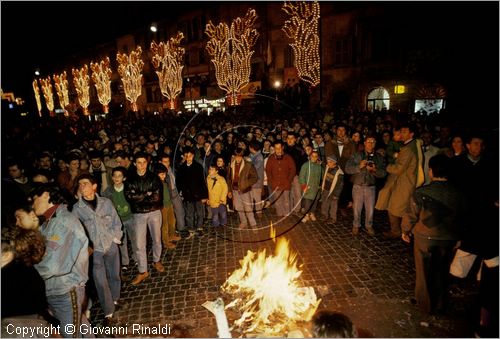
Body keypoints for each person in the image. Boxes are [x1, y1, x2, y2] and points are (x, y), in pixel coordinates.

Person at [401, 154, 467, 315]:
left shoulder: (422, 192)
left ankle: (426, 306)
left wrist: (405, 230)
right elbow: (463, 217)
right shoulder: (459, 193)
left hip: (425, 238)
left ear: (431, 171)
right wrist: (459, 237)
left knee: (424, 273)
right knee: (442, 271)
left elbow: (411, 215)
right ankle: (441, 303)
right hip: (448, 239)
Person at [29, 184, 92, 338]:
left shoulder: (63, 222)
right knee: (81, 327)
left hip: (65, 290)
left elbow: (53, 266)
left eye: (33, 199)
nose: (31, 205)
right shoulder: (48, 222)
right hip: (57, 289)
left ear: (45, 195)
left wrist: (29, 276)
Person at [72, 174, 124, 326]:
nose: (82, 186)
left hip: (111, 244)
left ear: (94, 186)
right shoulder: (77, 209)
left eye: (85, 183)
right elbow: (76, 232)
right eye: (80, 184)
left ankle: (115, 299)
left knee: (114, 274)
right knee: (100, 281)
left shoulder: (106, 202)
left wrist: (115, 238)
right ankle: (108, 311)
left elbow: (116, 221)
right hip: (95, 251)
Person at [375, 123, 424, 239]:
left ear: (411, 134)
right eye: (401, 131)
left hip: (404, 183)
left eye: (405, 132)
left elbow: (399, 168)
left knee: (395, 208)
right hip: (403, 182)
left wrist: (386, 166)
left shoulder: (407, 148)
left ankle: (400, 231)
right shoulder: (409, 145)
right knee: (397, 207)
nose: (401, 134)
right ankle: (402, 231)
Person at [125, 152, 165, 286]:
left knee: (157, 239)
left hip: (154, 212)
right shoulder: (130, 179)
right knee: (140, 244)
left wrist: (140, 196)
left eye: (144, 162)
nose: (142, 165)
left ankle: (156, 260)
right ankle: (143, 271)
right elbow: (129, 197)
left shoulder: (154, 178)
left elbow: (157, 197)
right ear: (135, 163)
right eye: (139, 162)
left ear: (147, 163)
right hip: (138, 214)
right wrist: (146, 194)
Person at [345, 136, 387, 236]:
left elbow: (384, 173)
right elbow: (347, 168)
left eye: (373, 142)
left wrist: (374, 170)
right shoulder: (356, 155)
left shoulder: (379, 157)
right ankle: (356, 225)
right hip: (358, 185)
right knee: (356, 208)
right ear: (364, 143)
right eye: (368, 142)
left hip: (371, 186)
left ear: (375, 143)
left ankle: (369, 226)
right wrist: (359, 166)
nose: (370, 144)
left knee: (370, 209)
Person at [103, 166, 133, 272]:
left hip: (130, 218)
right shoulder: (108, 192)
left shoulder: (129, 188)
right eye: (114, 176)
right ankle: (125, 262)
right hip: (117, 221)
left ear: (124, 178)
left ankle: (137, 258)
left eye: (119, 176)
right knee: (122, 243)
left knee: (135, 239)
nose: (116, 178)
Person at [177, 147, 209, 237]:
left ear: (193, 156)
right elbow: (178, 182)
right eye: (186, 156)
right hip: (188, 195)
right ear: (184, 156)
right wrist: (181, 192)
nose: (188, 158)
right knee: (189, 214)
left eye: (190, 156)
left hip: (198, 195)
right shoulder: (181, 168)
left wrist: (204, 196)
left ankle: (199, 228)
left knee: (199, 213)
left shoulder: (198, 167)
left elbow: (203, 182)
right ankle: (191, 229)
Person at [227, 147, 258, 229]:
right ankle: (243, 222)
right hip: (235, 190)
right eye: (236, 156)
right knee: (238, 207)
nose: (237, 158)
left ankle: (253, 224)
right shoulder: (231, 165)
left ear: (242, 156)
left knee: (248, 208)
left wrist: (246, 184)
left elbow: (255, 177)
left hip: (245, 190)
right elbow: (229, 179)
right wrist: (229, 191)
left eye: (239, 156)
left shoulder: (248, 165)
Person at [153, 163, 180, 249]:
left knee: (172, 221)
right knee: (164, 225)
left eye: (165, 174)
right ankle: (166, 241)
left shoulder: (165, 181)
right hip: (162, 206)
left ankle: (172, 235)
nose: (164, 176)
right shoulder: (156, 184)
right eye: (162, 174)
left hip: (169, 204)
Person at [265, 141, 296, 217]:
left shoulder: (288, 157)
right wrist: (271, 181)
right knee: (278, 200)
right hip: (275, 183)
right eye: (276, 148)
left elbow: (293, 169)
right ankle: (280, 214)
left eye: (279, 148)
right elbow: (268, 170)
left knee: (286, 200)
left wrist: (289, 180)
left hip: (286, 183)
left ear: (282, 148)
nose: (278, 150)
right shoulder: (271, 158)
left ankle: (286, 214)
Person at [299, 150, 323, 223]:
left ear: (317, 158)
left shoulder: (319, 167)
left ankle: (312, 213)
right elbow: (301, 176)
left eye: (316, 157)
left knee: (314, 202)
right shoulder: (305, 165)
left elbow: (322, 176)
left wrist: (320, 185)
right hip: (308, 188)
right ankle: (306, 215)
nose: (314, 158)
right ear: (309, 157)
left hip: (315, 188)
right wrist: (304, 186)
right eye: (312, 156)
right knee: (307, 203)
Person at [319, 155, 344, 224]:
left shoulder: (339, 173)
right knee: (324, 202)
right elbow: (323, 164)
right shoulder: (328, 167)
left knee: (333, 205)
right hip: (326, 189)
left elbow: (340, 185)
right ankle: (324, 215)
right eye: (327, 162)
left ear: (334, 163)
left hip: (333, 191)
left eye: (330, 162)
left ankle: (333, 218)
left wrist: (336, 195)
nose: (328, 163)